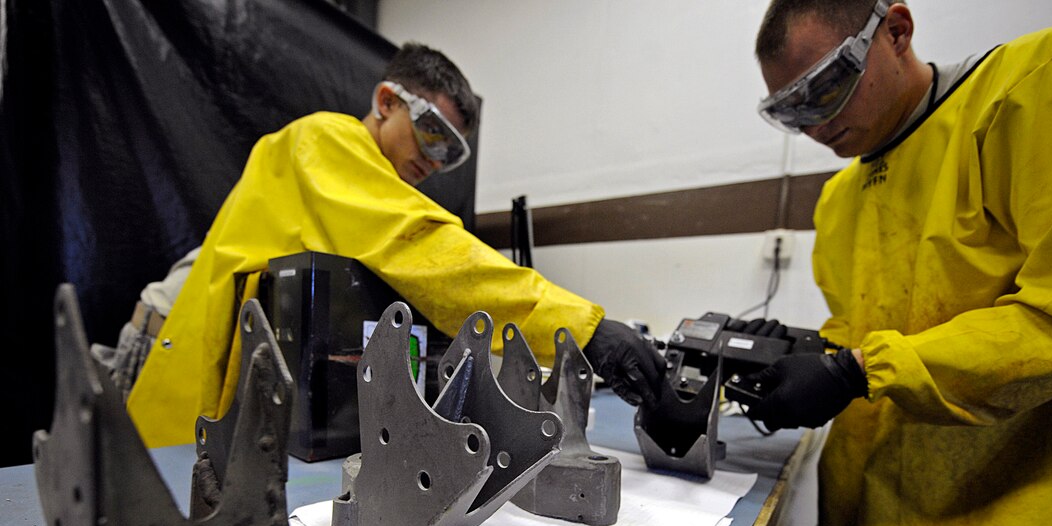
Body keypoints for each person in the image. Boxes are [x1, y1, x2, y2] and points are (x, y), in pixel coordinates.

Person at [747, 2, 1052, 526]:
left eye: (826, 85)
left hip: (999, 521)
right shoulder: (840, 198)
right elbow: (867, 327)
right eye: (791, 109)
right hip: (868, 510)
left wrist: (855, 372)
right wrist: (811, 350)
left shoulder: (1033, 90)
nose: (815, 124)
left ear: (896, 30)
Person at [123, 43, 664, 448]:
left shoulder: (365, 191)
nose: (434, 161)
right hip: (172, 339)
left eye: (450, 155)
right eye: (433, 135)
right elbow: (425, 251)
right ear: (387, 101)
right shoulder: (324, 140)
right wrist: (582, 328)